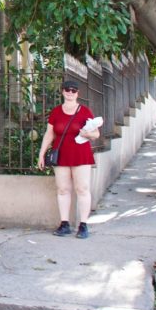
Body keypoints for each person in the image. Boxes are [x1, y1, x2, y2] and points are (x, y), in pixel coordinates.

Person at [36, 79, 100, 239]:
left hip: (81, 154)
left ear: (78, 93)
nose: (70, 92)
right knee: (63, 189)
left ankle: (83, 225)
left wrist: (87, 134)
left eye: (73, 90)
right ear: (62, 91)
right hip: (61, 154)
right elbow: (49, 134)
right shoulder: (56, 112)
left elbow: (96, 134)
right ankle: (64, 223)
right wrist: (41, 154)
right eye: (67, 89)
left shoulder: (85, 111)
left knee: (82, 189)